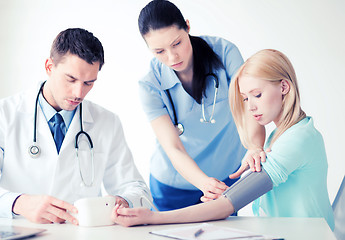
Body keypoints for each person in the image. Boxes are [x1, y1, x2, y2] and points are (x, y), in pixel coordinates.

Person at [111, 49, 335, 230]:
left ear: (284, 86)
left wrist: (152, 217)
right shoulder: (280, 135)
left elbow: (227, 206)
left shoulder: (297, 139)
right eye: (245, 98)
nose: (251, 107)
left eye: (257, 95)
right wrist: (230, 192)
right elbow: (237, 196)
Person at [0, 28, 152, 224]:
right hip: (19, 230)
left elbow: (138, 189)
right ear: (49, 67)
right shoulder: (5, 114)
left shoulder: (107, 122)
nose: (79, 93)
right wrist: (18, 203)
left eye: (89, 83)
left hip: (79, 233)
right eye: (70, 79)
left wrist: (123, 201)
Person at [137, 0, 265, 211]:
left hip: (226, 176)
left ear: (187, 26)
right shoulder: (150, 85)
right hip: (173, 185)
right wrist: (204, 183)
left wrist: (255, 146)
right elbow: (173, 147)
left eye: (177, 43)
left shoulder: (225, 53)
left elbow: (249, 105)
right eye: (159, 51)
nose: (172, 57)